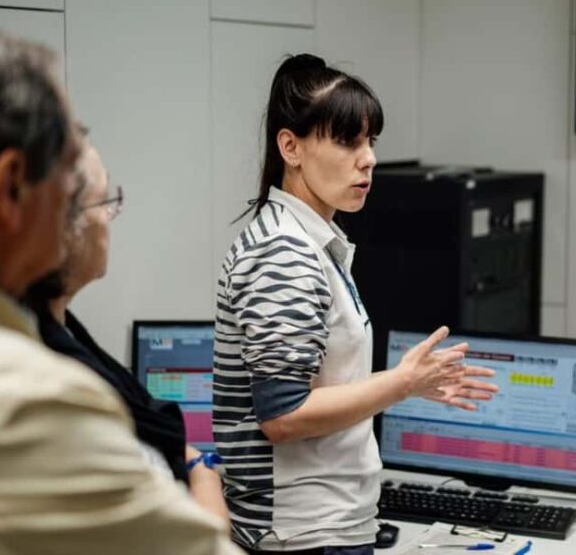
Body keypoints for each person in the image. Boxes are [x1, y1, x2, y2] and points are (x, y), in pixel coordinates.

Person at [0, 25, 242, 555]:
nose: (79, 202)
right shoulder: (27, 403)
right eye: (68, 171)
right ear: (11, 185)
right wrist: (204, 475)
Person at [213, 53, 499, 554]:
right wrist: (403, 383)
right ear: (290, 147)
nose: (368, 159)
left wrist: (410, 383)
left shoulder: (309, 241)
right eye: (348, 141)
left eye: (370, 141)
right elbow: (283, 415)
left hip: (324, 526)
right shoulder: (283, 252)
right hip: (303, 533)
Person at [24, 130, 229, 524]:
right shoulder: (64, 386)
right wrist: (205, 476)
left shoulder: (67, 334)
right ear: (60, 226)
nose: (110, 218)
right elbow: (203, 541)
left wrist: (191, 459)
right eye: (104, 201)